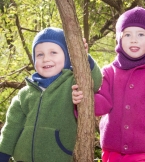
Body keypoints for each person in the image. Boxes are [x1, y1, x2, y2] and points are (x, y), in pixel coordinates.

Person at [72, 7, 145, 162]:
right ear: (119, 39)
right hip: (111, 153)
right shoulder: (110, 72)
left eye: (140, 34)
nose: (133, 39)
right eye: (127, 34)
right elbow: (102, 104)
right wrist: (82, 98)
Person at [0, 27, 102, 162]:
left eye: (53, 52)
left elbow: (94, 82)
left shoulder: (72, 82)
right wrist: (3, 154)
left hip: (60, 156)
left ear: (68, 56)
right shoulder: (25, 93)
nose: (46, 59)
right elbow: (11, 127)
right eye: (40, 54)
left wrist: (84, 58)